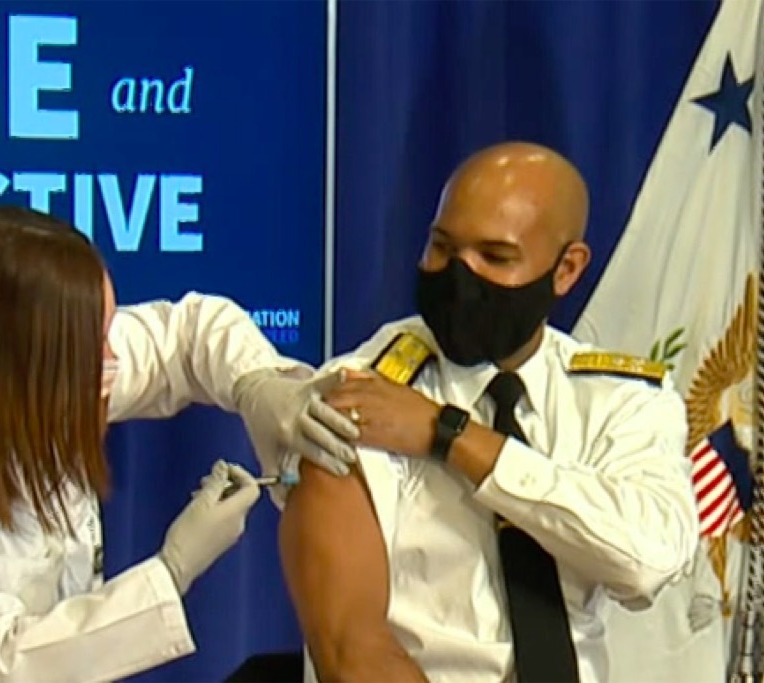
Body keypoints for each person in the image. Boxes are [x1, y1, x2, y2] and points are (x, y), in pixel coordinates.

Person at [0, 205, 359, 683]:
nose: (112, 367)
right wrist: (173, 570)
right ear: (16, 363)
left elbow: (190, 335)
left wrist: (258, 385)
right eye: (95, 349)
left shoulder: (38, 388)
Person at [277, 142, 700, 682]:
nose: (460, 277)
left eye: (495, 258)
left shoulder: (618, 398)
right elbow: (351, 653)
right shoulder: (359, 393)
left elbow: (648, 559)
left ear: (566, 270)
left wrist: (452, 436)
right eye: (442, 248)